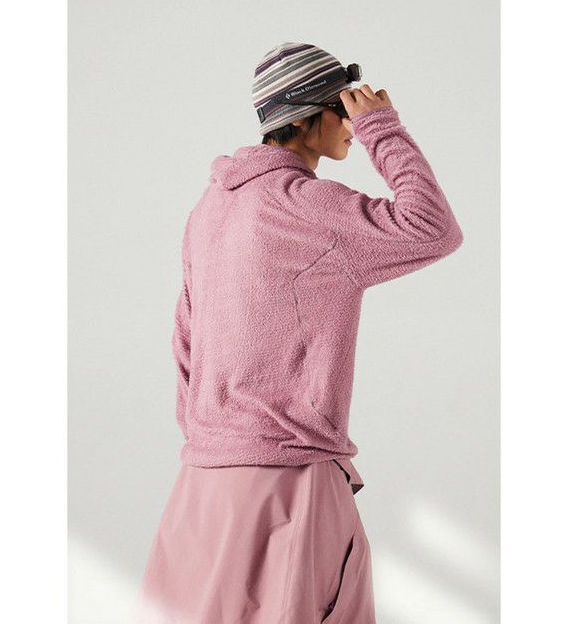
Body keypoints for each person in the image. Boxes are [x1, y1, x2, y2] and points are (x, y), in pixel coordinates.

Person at [133, 42, 464, 623]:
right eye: (343, 109)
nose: (351, 126)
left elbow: (185, 339)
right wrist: (382, 129)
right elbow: (433, 229)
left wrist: (217, 439)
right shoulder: (310, 207)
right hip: (289, 480)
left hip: (203, 488)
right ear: (309, 117)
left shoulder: (210, 209)